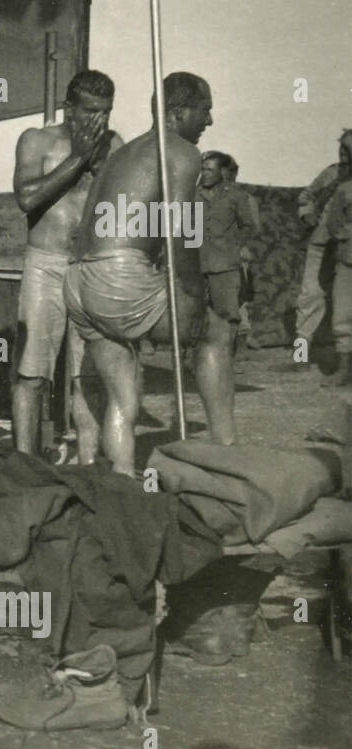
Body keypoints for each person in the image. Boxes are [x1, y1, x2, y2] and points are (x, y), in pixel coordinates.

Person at [63, 72, 227, 477]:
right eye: (204, 110)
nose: (209, 121)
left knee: (122, 397)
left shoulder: (122, 152)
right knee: (217, 332)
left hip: (79, 282)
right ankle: (228, 453)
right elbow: (181, 232)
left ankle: (121, 478)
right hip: (117, 278)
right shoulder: (181, 152)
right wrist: (193, 295)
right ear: (178, 112)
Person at [10, 70, 115, 463]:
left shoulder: (114, 144)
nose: (98, 120)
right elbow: (26, 197)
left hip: (90, 266)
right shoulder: (36, 140)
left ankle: (89, 464)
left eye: (105, 111)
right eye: (89, 110)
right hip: (45, 264)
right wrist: (78, 160)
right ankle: (23, 465)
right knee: (31, 372)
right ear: (69, 108)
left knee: (86, 375)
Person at [196, 150, 256, 407]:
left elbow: (248, 226)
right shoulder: (191, 195)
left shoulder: (236, 196)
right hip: (197, 265)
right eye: (203, 168)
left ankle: (225, 366)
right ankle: (200, 365)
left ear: (222, 172)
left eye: (210, 169)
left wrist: (235, 248)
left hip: (225, 265)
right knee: (197, 315)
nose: (205, 173)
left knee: (227, 315)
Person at [294, 129, 352, 370]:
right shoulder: (331, 174)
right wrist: (307, 215)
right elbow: (306, 196)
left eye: (348, 151)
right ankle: (300, 355)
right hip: (321, 243)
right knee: (309, 297)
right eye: (342, 149)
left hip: (347, 247)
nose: (343, 155)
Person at [220, 156, 265, 349]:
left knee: (238, 296)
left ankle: (240, 337)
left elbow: (253, 227)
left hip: (235, 251)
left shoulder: (245, 198)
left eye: (231, 172)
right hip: (211, 252)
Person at [314, 177, 352, 385]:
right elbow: (334, 223)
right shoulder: (344, 189)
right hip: (348, 261)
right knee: (343, 317)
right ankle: (345, 369)